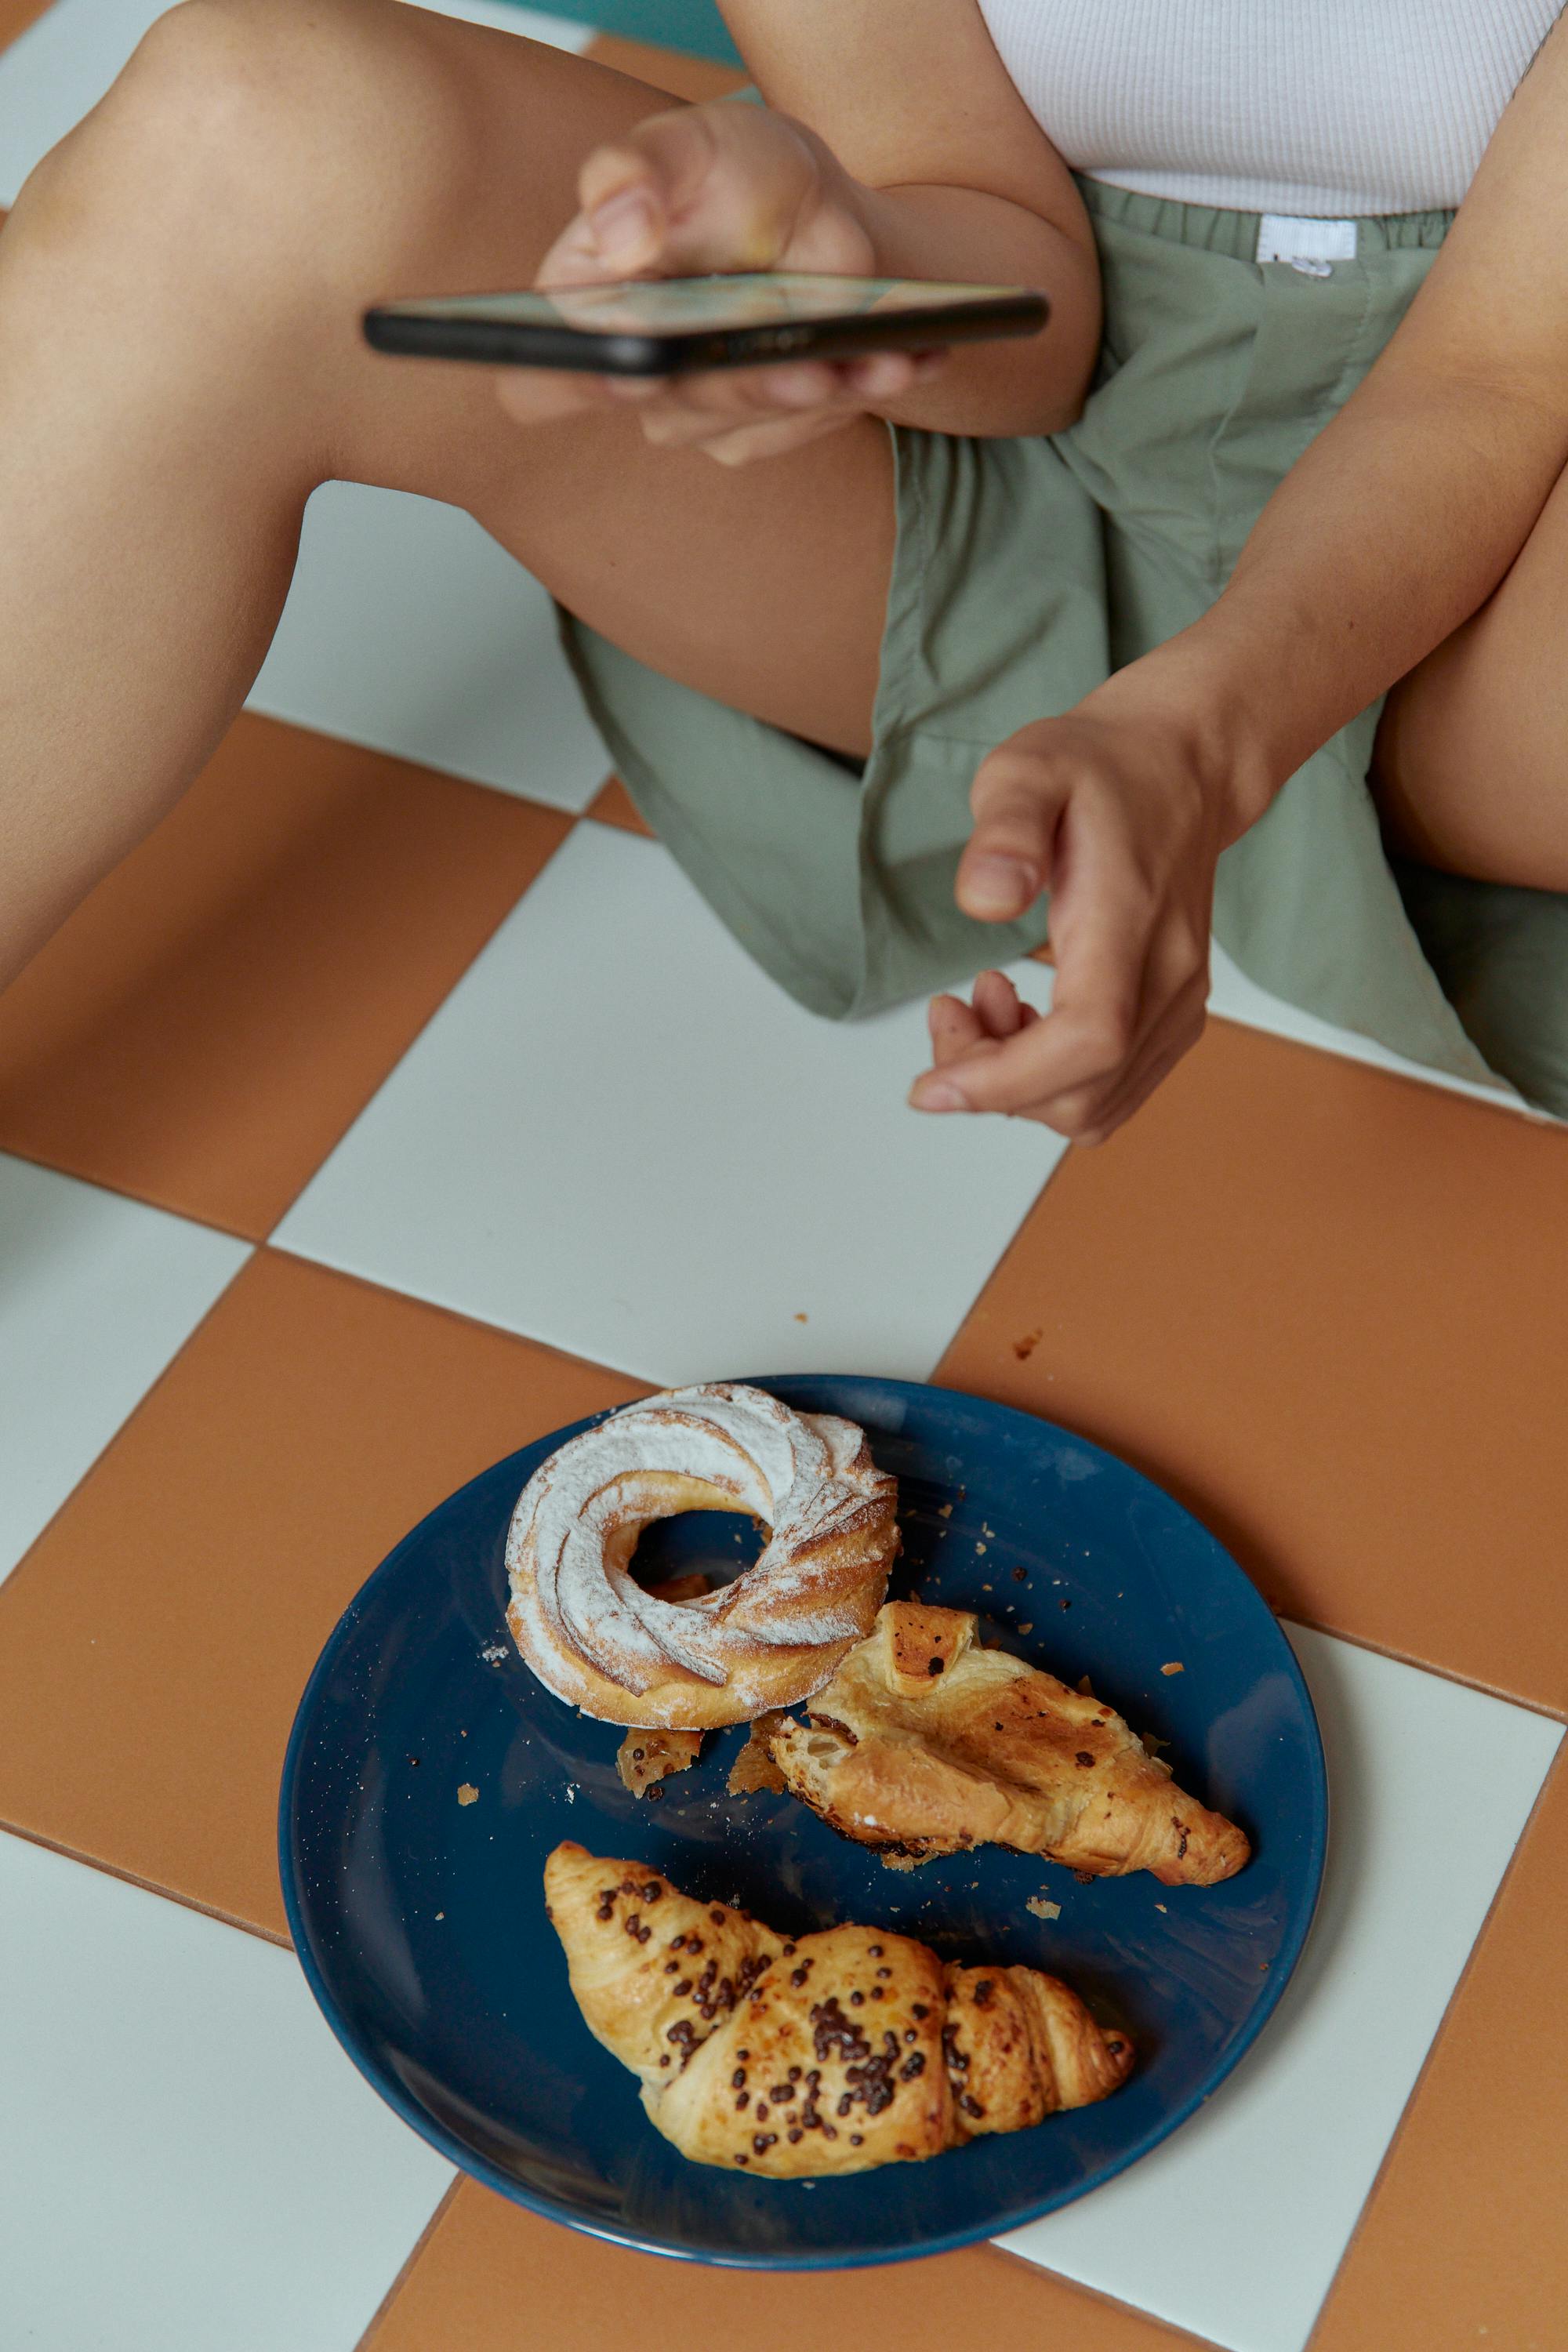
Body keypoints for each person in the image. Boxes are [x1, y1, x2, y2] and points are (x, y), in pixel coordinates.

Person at [2, 0, 1566, 1142]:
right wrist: (848, 259)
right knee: (253, 122)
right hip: (996, 453)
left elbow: (1489, 386)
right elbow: (1013, 273)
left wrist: (1199, 732)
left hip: (1498, 540)